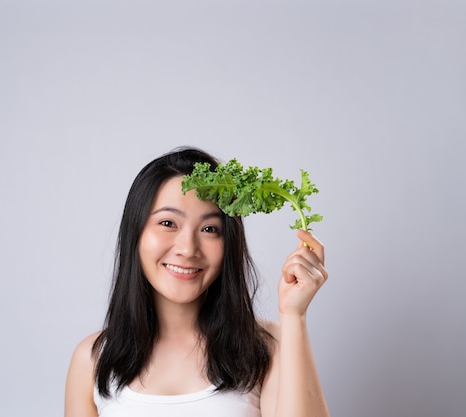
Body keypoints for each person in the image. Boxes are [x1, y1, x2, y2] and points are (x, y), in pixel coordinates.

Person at [64, 146, 330, 417]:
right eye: (168, 223)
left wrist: (294, 315)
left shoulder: (268, 344)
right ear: (136, 233)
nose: (188, 248)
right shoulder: (93, 359)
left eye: (209, 229)